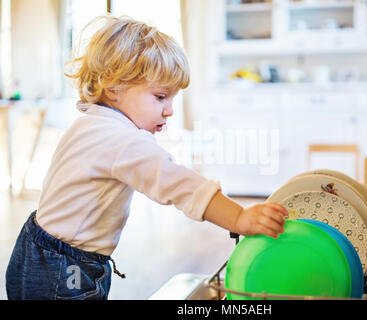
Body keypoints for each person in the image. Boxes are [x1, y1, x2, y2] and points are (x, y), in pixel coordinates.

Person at [5, 16, 288, 300]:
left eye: (172, 99)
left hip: (35, 246)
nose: (170, 111)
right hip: (64, 268)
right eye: (160, 96)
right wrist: (238, 217)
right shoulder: (120, 138)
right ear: (113, 87)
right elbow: (176, 182)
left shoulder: (90, 122)